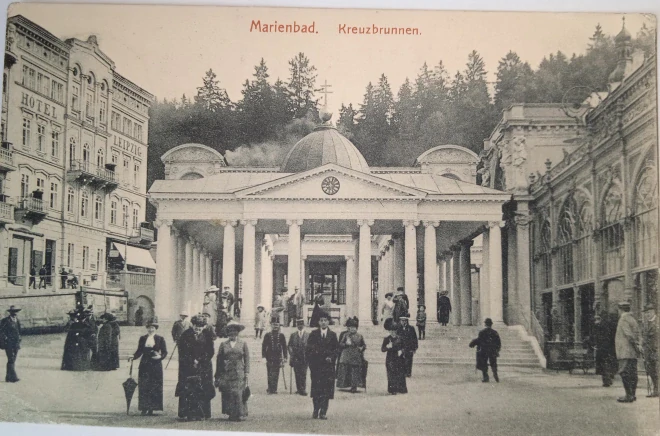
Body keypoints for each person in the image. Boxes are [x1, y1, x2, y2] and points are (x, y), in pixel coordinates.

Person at [175, 314, 215, 421]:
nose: (198, 328)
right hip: (188, 366)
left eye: (201, 326)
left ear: (204, 326)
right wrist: (191, 360)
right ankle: (188, 414)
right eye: (196, 325)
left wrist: (200, 360)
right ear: (192, 325)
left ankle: (203, 413)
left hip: (204, 366)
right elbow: (182, 351)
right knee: (189, 388)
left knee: (203, 387)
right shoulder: (185, 335)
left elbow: (210, 351)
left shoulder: (207, 335)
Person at [129, 318, 167, 416]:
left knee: (155, 385)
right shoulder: (143, 338)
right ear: (147, 328)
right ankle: (144, 408)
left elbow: (164, 352)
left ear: (156, 329)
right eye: (149, 328)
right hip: (144, 364)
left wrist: (160, 357)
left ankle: (152, 408)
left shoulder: (160, 338)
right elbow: (139, 351)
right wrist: (133, 356)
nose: (151, 329)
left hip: (156, 365)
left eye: (153, 328)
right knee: (144, 385)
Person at [306, 311, 339, 419]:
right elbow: (309, 349)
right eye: (321, 320)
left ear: (328, 322)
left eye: (325, 320)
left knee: (326, 390)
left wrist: (331, 357)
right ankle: (316, 410)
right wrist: (313, 362)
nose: (323, 322)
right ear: (318, 322)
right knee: (316, 389)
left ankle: (323, 411)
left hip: (328, 367)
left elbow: (336, 350)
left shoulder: (333, 335)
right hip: (316, 366)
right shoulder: (313, 334)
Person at [215, 322, 250, 422]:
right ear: (228, 334)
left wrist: (246, 371)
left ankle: (240, 413)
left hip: (239, 371)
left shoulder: (243, 343)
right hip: (227, 371)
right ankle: (231, 413)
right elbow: (219, 359)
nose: (232, 336)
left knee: (238, 392)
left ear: (237, 334)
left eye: (234, 334)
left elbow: (247, 358)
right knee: (228, 392)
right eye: (230, 334)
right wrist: (219, 373)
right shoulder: (223, 344)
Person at [615, 301, 641, 403]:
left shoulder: (623, 319)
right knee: (633, 373)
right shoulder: (633, 319)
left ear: (620, 309)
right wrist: (637, 347)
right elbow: (637, 334)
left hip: (624, 351)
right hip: (632, 352)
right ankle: (632, 395)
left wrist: (634, 344)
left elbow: (628, 335)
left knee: (624, 372)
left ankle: (628, 395)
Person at [336, 317, 366, 393]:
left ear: (357, 328)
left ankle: (354, 387)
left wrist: (361, 348)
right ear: (349, 328)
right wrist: (346, 344)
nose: (353, 329)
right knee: (347, 371)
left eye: (354, 328)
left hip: (355, 355)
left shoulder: (360, 336)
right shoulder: (346, 335)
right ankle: (346, 385)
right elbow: (340, 344)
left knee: (355, 371)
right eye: (351, 327)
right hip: (346, 355)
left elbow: (364, 345)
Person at [469, 318, 501, 383]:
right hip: (492, 350)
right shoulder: (495, 332)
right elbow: (498, 343)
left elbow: (479, 340)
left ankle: (486, 377)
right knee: (493, 363)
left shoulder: (482, 332)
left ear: (485, 324)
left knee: (483, 364)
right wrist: (497, 350)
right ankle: (495, 374)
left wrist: (472, 343)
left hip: (484, 351)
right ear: (491, 324)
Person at [382, 318, 407, 395]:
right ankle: (392, 389)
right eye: (391, 331)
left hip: (399, 358)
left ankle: (401, 388)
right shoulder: (387, 339)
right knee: (391, 374)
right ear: (389, 331)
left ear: (396, 331)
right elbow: (382, 349)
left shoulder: (400, 338)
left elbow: (404, 347)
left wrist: (401, 351)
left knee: (399, 373)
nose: (392, 332)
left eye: (394, 331)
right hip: (390, 358)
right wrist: (387, 347)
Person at [262, 320, 287, 394]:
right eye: (274, 325)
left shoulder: (281, 336)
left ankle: (274, 389)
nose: (275, 326)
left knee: (276, 373)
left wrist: (285, 357)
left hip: (278, 357)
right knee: (269, 372)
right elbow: (264, 346)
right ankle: (270, 388)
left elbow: (284, 347)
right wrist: (263, 357)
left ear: (279, 326)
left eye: (277, 325)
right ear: (271, 325)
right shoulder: (267, 335)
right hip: (269, 357)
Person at [593, 312, 618, 387]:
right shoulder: (612, 325)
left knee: (604, 365)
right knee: (609, 363)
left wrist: (595, 344)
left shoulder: (599, 325)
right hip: (611, 348)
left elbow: (596, 336)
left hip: (602, 348)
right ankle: (610, 377)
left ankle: (606, 381)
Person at [0, 306, 22, 382]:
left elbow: (19, 331)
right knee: (11, 359)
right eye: (13, 312)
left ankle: (8, 377)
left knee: (12, 360)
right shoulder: (5, 320)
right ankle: (13, 377)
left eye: (16, 311)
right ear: (10, 312)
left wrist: (19, 338)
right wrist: (5, 338)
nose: (15, 313)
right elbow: (1, 331)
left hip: (16, 343)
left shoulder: (17, 320)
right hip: (8, 343)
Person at [288, 318, 309, 395]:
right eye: (298, 324)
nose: (300, 326)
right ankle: (299, 389)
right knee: (297, 373)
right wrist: (291, 353)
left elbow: (311, 346)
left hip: (304, 357)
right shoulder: (293, 335)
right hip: (295, 357)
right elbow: (289, 345)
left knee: (303, 373)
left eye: (301, 324)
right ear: (297, 325)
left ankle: (303, 389)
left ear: (303, 325)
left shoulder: (308, 335)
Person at [641, 303, 658, 398]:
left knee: (656, 371)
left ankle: (657, 390)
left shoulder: (657, 322)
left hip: (655, 351)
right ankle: (656, 389)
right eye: (646, 313)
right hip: (648, 351)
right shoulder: (646, 323)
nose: (647, 314)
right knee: (651, 371)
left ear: (653, 312)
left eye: (648, 312)